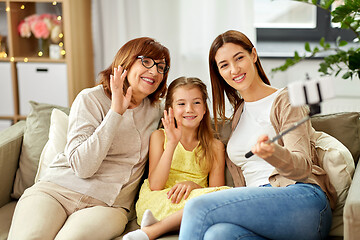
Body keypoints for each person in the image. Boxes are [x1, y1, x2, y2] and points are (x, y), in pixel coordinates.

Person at [179, 30, 337, 240]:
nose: (234, 69)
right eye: (224, 65)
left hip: (302, 200)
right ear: (219, 72)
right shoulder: (238, 114)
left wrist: (274, 154)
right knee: (218, 235)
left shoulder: (286, 100)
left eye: (239, 58)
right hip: (262, 210)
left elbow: (302, 168)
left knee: (197, 207)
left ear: (253, 55)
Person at [8, 37, 171, 240]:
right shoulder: (90, 99)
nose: (155, 71)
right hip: (55, 190)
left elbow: (190, 107)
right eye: (147, 61)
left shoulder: (157, 111)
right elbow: (83, 167)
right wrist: (115, 113)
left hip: (107, 205)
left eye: (162, 67)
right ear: (127, 61)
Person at [123, 77, 230, 240]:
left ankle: (158, 226)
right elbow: (156, 185)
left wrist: (192, 186)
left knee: (225, 197)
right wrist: (172, 143)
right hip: (160, 200)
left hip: (196, 200)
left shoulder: (215, 147)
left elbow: (216, 192)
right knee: (210, 205)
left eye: (196, 103)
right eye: (181, 104)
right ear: (170, 109)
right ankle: (159, 226)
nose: (189, 109)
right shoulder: (159, 137)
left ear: (205, 109)